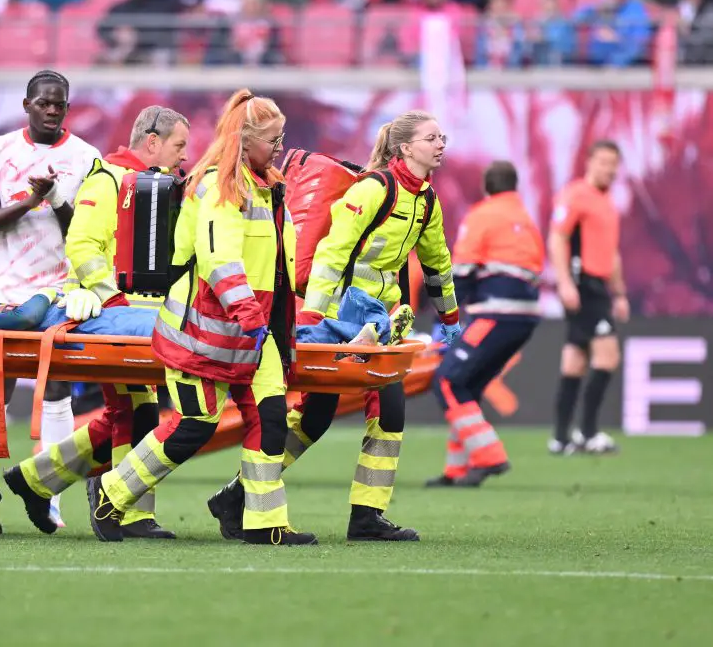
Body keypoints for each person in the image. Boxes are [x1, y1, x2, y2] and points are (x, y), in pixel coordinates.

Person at [207, 109, 460, 543]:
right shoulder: (374, 190)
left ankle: (353, 515)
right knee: (324, 416)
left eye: (443, 136)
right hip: (340, 321)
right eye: (431, 137)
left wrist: (449, 315)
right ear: (405, 148)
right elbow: (330, 255)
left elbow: (437, 262)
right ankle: (245, 496)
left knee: (365, 414)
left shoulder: (426, 200)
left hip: (378, 326)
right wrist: (312, 316)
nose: (441, 144)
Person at [86, 89, 313, 546]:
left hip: (253, 333)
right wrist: (250, 313)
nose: (280, 147)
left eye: (282, 137)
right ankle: (111, 493)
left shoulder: (267, 186)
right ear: (245, 139)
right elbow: (218, 259)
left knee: (270, 418)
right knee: (195, 426)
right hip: (203, 333)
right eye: (273, 139)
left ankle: (263, 524)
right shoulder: (217, 186)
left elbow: (277, 264)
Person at [2, 105, 189, 539]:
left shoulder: (159, 187)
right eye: (179, 146)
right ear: (153, 141)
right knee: (138, 412)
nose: (184, 156)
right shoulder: (107, 179)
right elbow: (82, 245)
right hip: (108, 317)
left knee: (130, 412)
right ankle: (127, 512)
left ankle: (37, 481)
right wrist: (114, 302)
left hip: (133, 318)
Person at [0, 70, 101, 526]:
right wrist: (31, 201)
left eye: (59, 104)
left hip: (61, 287)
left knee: (58, 385)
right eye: (43, 102)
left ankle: (50, 497)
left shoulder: (86, 158)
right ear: (27, 104)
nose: (51, 109)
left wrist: (59, 200)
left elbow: (88, 233)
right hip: (6, 286)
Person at [425, 161, 543, 487]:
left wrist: (445, 320)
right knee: (469, 386)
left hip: (496, 313)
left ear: (486, 187)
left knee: (448, 382)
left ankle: (490, 457)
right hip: (525, 317)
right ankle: (458, 470)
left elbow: (461, 273)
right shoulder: (526, 219)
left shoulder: (483, 215)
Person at [548, 140, 625, 455]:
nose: (609, 168)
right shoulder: (576, 194)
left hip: (599, 287)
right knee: (607, 356)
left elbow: (612, 253)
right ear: (589, 162)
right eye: (603, 161)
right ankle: (588, 433)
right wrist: (564, 282)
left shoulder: (607, 202)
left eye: (613, 163)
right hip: (582, 284)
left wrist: (619, 292)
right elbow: (557, 237)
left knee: (575, 360)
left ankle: (561, 438)